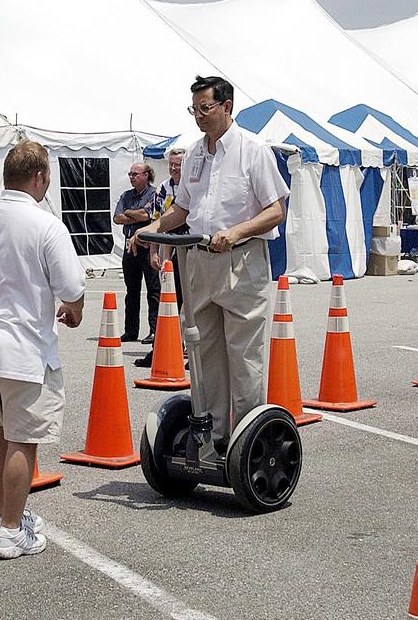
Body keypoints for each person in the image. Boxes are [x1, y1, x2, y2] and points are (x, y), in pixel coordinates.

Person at [129, 75, 288, 451]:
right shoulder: (195, 154)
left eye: (206, 108)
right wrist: (152, 227)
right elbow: (183, 208)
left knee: (244, 354)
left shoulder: (254, 150)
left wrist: (235, 232)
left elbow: (276, 210)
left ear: (227, 106)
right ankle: (213, 436)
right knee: (205, 353)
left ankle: (246, 442)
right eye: (194, 109)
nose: (199, 116)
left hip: (240, 259)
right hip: (198, 259)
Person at [0, 141, 85, 559]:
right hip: (24, 348)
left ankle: (1, 519)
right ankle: (12, 531)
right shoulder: (46, 224)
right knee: (23, 439)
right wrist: (74, 308)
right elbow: (71, 287)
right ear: (40, 177)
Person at [136, 148, 188, 369]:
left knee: (192, 302)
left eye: (178, 164)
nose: (175, 168)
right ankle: (163, 345)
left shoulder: (192, 187)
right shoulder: (163, 189)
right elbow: (157, 221)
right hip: (169, 248)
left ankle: (189, 348)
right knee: (168, 298)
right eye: (172, 164)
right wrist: (153, 252)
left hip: (191, 248)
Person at [114, 162, 160, 345]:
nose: (132, 177)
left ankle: (154, 330)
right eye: (130, 174)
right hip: (128, 246)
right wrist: (134, 214)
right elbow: (117, 218)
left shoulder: (155, 193)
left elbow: (146, 216)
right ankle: (130, 330)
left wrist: (129, 213)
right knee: (131, 291)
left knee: (153, 290)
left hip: (147, 246)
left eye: (136, 174)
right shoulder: (126, 195)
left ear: (146, 175)